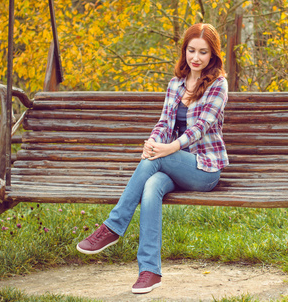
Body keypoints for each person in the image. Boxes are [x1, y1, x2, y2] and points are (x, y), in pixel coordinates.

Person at [76, 23, 229, 294]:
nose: (196, 57)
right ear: (184, 51)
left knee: (154, 160)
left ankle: (113, 226)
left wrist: (167, 149)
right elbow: (164, 122)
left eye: (203, 52)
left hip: (204, 169)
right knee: (150, 186)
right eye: (191, 50)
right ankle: (149, 271)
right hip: (173, 166)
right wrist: (153, 143)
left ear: (212, 55)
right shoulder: (175, 84)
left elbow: (200, 128)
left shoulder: (218, 85)